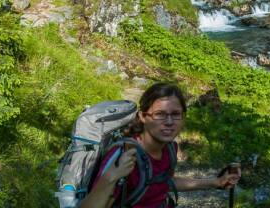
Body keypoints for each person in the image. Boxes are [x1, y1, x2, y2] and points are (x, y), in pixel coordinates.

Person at [80, 82, 241, 208]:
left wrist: (215, 182)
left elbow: (164, 182)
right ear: (143, 116)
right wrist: (111, 176)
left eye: (176, 114)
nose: (169, 122)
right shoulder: (125, 155)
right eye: (160, 115)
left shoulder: (170, 148)